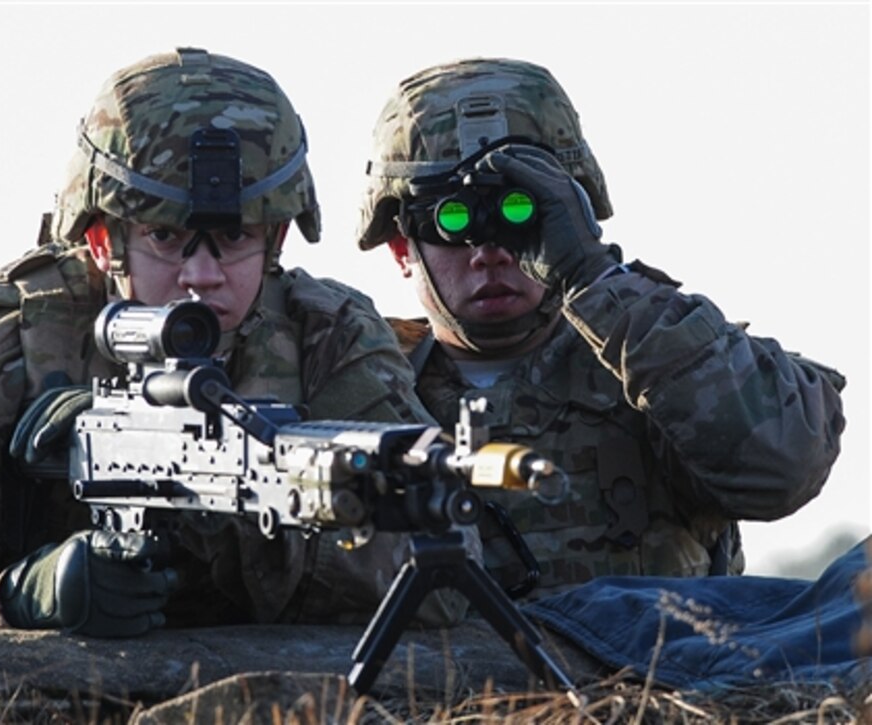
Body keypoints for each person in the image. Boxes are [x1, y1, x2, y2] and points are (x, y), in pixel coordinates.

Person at [0, 48, 469, 635]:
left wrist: (243, 523)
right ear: (104, 241)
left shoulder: (329, 337)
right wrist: (21, 603)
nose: (201, 274)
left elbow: (444, 587)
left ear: (276, 241)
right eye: (165, 237)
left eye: (236, 237)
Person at [356, 58, 847, 600]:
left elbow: (782, 466)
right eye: (451, 222)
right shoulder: (362, 386)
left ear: (575, 212)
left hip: (646, 681)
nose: (487, 252)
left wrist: (590, 274)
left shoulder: (660, 362)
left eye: (522, 211)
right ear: (402, 246)